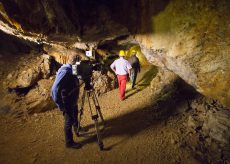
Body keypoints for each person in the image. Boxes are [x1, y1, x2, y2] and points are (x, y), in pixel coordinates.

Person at [51, 54, 82, 149]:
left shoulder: (72, 68)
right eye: (79, 63)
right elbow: (55, 89)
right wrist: (60, 105)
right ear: (75, 62)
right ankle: (69, 142)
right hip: (67, 101)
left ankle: (77, 127)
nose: (80, 65)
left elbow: (75, 77)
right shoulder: (64, 72)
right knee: (69, 121)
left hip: (73, 99)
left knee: (75, 113)